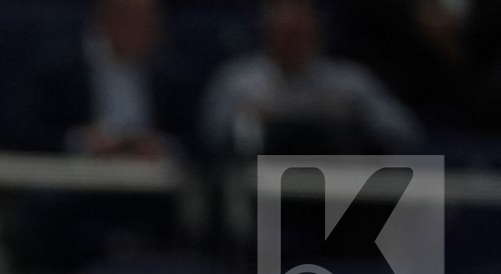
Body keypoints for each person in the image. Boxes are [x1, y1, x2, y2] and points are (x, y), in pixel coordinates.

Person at [200, 0, 424, 155]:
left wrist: (358, 113)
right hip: (261, 192)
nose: (292, 42)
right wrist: (245, 116)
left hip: (341, 196)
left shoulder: (349, 82)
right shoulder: (238, 81)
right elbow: (209, 136)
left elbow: (404, 131)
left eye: (298, 32)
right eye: (284, 33)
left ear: (316, 31)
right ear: (268, 32)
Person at [35, 0, 188, 159]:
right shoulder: (59, 69)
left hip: (153, 178)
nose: (148, 33)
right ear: (107, 20)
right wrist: (81, 141)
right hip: (77, 175)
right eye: (134, 22)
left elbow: (192, 139)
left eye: (151, 25)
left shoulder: (171, 75)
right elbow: (28, 134)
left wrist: (161, 146)